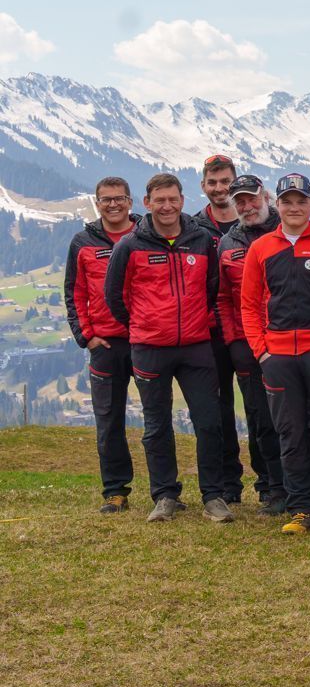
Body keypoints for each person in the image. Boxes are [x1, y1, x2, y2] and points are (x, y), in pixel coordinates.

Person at [103, 173, 231, 524]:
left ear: (182, 200)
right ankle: (164, 496)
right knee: (156, 426)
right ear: (147, 203)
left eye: (172, 198)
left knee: (209, 422)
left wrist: (190, 321)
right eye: (159, 200)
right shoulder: (129, 245)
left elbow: (211, 287)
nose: (167, 206)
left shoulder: (201, 240)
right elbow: (114, 296)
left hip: (196, 346)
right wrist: (141, 325)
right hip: (149, 348)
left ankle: (214, 496)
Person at [242, 174, 310, 535]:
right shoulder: (261, 248)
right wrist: (262, 352)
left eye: (300, 201)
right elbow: (249, 305)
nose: (294, 207)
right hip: (278, 357)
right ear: (278, 204)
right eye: (287, 201)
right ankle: (301, 508)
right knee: (290, 436)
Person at [62, 176, 139, 513]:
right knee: (108, 421)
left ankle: (166, 492)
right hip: (105, 345)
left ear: (130, 201)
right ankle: (115, 491)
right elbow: (74, 292)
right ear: (97, 202)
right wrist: (87, 337)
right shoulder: (82, 242)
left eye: (119, 198)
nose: (113, 204)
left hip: (147, 340)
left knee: (157, 419)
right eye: (106, 199)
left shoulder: (145, 235)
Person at [214, 175, 287, 513]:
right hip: (247, 345)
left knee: (297, 417)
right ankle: (272, 487)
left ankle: (305, 485)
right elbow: (222, 299)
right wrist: (234, 341)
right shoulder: (228, 243)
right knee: (261, 420)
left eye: (251, 199)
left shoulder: (288, 230)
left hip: (289, 340)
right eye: (239, 201)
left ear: (266, 197)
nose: (246, 206)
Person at [192, 154, 245, 510]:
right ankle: (228, 484)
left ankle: (274, 484)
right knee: (219, 409)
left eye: (225, 181)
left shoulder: (255, 220)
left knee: (264, 410)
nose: (219, 188)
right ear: (203, 187)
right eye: (212, 182)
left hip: (251, 330)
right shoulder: (193, 228)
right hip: (209, 331)